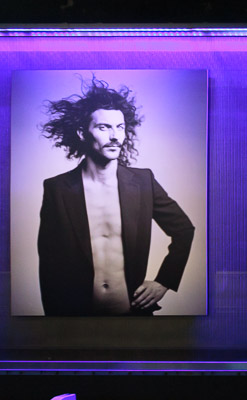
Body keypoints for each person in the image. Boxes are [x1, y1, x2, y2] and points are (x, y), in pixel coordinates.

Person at [37, 77, 195, 316]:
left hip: (132, 315)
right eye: (104, 127)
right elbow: (48, 263)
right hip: (76, 319)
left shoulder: (143, 182)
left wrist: (164, 281)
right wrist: (53, 325)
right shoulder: (57, 189)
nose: (115, 136)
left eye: (120, 127)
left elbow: (184, 229)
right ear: (82, 132)